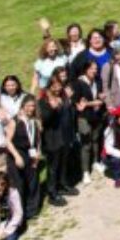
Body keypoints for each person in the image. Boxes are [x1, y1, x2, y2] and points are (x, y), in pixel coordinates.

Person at [37, 72, 74, 206]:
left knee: (63, 163)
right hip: (52, 138)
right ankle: (52, 193)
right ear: (49, 87)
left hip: (64, 135)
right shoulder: (43, 101)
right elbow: (45, 120)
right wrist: (52, 109)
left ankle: (63, 185)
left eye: (59, 85)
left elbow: (68, 114)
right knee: (53, 167)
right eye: (55, 86)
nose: (58, 88)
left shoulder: (63, 97)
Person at [4, 95, 41, 218]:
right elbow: (7, 141)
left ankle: (32, 210)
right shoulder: (15, 121)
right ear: (23, 107)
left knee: (33, 182)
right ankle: (19, 212)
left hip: (31, 154)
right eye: (29, 106)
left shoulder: (34, 120)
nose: (31, 108)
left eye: (33, 106)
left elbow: (37, 139)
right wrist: (16, 156)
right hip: (17, 154)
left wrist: (38, 153)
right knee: (19, 184)